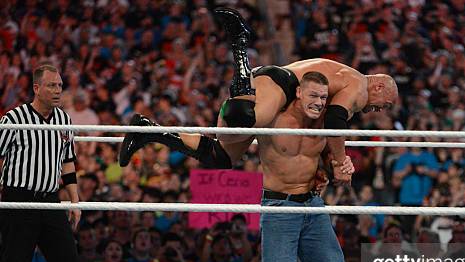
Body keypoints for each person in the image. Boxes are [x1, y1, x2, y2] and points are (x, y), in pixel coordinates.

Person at [118, 8, 398, 173]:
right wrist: (341, 160)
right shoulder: (359, 84)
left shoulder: (345, 79)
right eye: (383, 104)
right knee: (242, 120)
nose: (377, 110)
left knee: (220, 158)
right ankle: (240, 43)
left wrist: (331, 160)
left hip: (271, 87)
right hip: (281, 83)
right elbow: (337, 120)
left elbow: (326, 125)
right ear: (378, 85)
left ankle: (148, 130)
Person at [242, 71, 352, 262]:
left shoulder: (326, 123)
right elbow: (238, 125)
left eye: (323, 97)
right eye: (313, 95)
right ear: (300, 93)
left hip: (312, 203)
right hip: (280, 204)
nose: (318, 102)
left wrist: (336, 168)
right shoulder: (273, 117)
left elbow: (329, 160)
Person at [0, 63, 90, 262]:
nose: (57, 91)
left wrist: (75, 201)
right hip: (18, 199)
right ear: (37, 88)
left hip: (51, 200)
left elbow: (68, 163)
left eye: (60, 86)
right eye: (52, 85)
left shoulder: (63, 120)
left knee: (67, 261)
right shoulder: (14, 118)